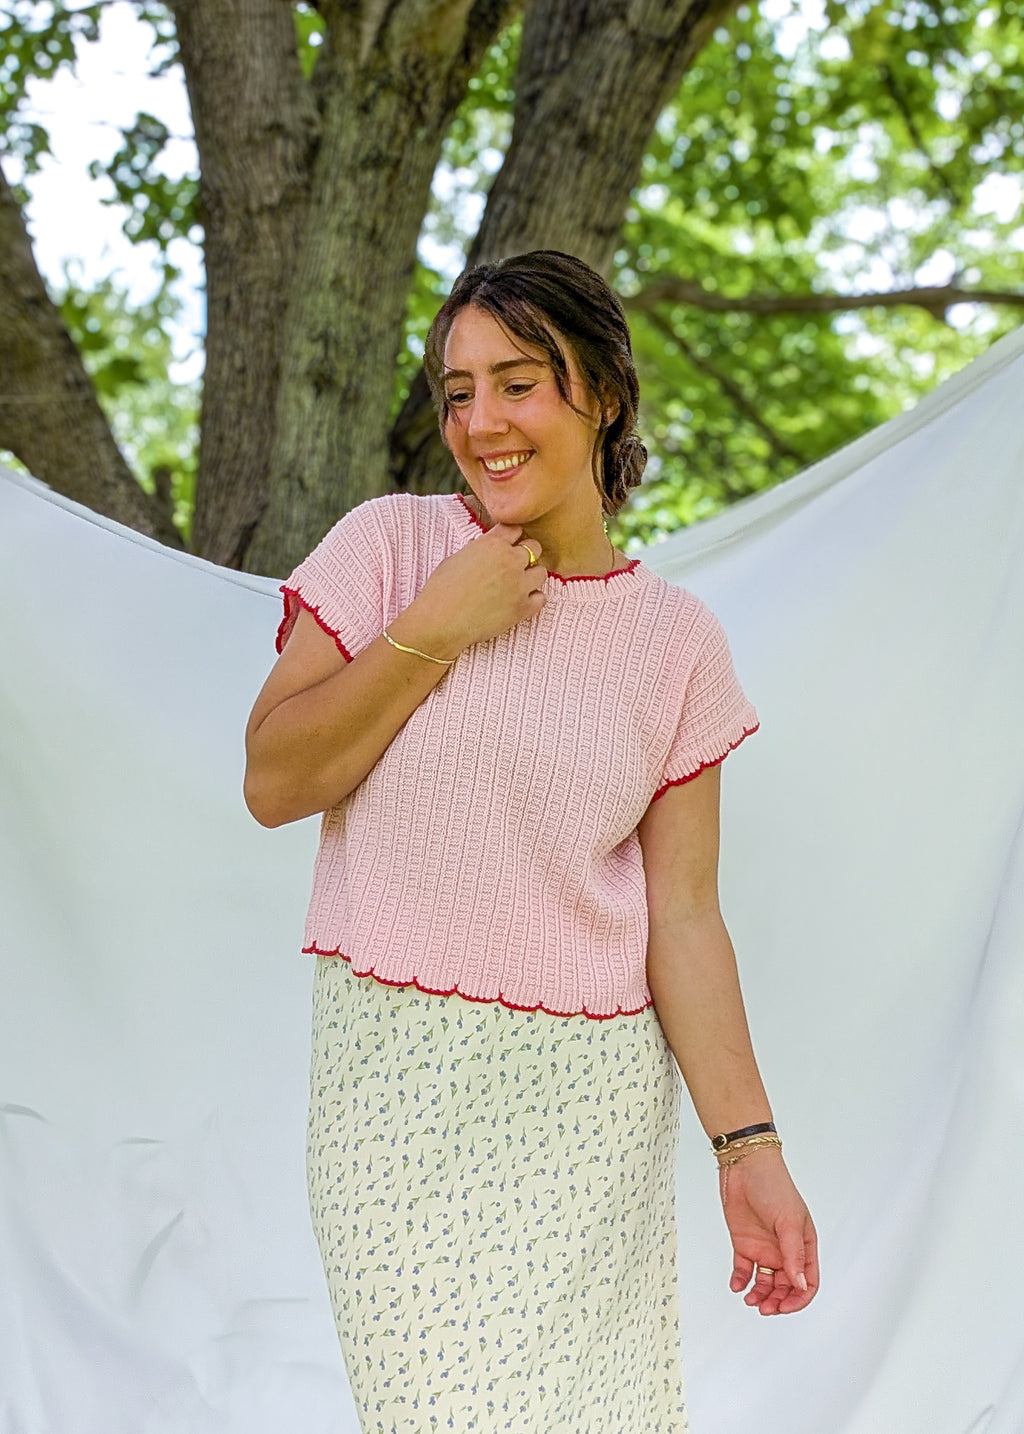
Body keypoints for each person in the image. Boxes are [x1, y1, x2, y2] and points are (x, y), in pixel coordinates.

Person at [243, 249, 818, 1433]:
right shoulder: (393, 549)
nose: (481, 424)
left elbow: (685, 920)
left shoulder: (676, 644)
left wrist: (748, 1150)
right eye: (459, 393)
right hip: (395, 1094)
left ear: (600, 393)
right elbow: (275, 779)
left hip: (587, 1113)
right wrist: (435, 627)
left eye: (518, 384)